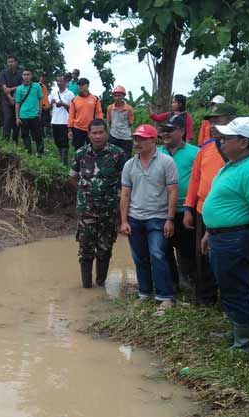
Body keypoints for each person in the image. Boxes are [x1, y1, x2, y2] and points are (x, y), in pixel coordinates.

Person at [183, 103, 249, 305]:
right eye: (211, 122)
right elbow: (196, 180)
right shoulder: (212, 152)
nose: (214, 127)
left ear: (242, 141)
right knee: (210, 267)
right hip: (211, 223)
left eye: (218, 122)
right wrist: (191, 210)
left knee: (235, 280)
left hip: (236, 231)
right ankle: (211, 303)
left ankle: (239, 325)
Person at [200, 117, 249, 352]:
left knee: (236, 288)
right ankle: (235, 330)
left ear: (242, 142)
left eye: (226, 138)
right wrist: (210, 232)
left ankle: (243, 343)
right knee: (227, 286)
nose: (220, 141)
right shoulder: (231, 165)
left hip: (234, 239)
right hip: (222, 236)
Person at [120, 124, 179, 308]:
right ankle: (144, 293)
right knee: (139, 257)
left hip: (158, 217)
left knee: (157, 254)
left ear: (154, 140)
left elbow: (173, 192)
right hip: (135, 218)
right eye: (136, 138)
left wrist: (170, 219)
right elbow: (125, 194)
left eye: (142, 139)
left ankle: (165, 296)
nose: (137, 142)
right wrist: (123, 221)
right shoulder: (129, 164)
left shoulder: (166, 162)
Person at [70, 119, 126, 288]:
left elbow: (126, 182)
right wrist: (84, 192)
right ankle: (86, 287)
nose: (98, 136)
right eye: (94, 133)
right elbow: (73, 177)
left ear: (106, 133)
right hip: (86, 212)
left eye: (101, 132)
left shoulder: (118, 154)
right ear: (89, 134)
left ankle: (101, 284)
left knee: (105, 249)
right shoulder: (81, 153)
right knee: (85, 250)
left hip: (109, 212)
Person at [158, 114, 199, 291]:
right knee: (163, 250)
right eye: (163, 130)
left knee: (188, 251)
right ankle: (171, 285)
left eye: (170, 130)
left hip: (186, 211)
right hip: (162, 211)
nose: (165, 134)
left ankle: (190, 284)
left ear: (182, 131)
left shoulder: (196, 153)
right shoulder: (157, 152)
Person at [68, 78, 104, 150]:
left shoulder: (95, 99)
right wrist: (70, 130)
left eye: (82, 85)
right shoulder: (74, 100)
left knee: (93, 148)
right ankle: (78, 161)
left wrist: (100, 126)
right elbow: (71, 115)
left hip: (91, 129)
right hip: (77, 128)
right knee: (78, 148)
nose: (80, 87)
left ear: (87, 85)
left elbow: (99, 113)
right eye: (79, 85)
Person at [14, 69, 44, 155]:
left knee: (38, 136)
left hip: (34, 115)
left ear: (31, 76)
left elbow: (40, 99)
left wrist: (40, 111)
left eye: (28, 74)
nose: (26, 76)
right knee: (25, 135)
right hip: (23, 116)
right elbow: (17, 103)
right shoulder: (19, 88)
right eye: (24, 74)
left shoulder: (37, 86)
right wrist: (17, 117)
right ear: (22, 76)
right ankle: (29, 152)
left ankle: (40, 153)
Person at [49, 73, 75, 165]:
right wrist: (51, 103)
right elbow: (47, 107)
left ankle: (64, 161)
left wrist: (63, 104)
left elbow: (73, 109)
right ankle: (61, 159)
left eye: (61, 81)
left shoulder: (70, 94)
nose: (59, 83)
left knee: (64, 142)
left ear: (65, 82)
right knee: (57, 141)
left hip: (65, 121)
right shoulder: (53, 93)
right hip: (55, 121)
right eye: (57, 81)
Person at [0, 55, 23, 143]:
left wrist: (12, 90)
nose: (10, 63)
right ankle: (5, 140)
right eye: (9, 62)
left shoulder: (20, 74)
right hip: (6, 100)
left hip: (18, 100)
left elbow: (22, 87)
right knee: (7, 119)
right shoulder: (3, 73)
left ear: (16, 62)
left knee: (17, 120)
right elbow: (5, 89)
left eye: (12, 61)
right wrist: (10, 98)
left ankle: (15, 141)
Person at [106, 85, 134, 159]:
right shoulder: (110, 108)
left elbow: (130, 123)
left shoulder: (129, 108)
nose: (117, 97)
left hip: (126, 137)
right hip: (113, 135)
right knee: (112, 156)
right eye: (115, 95)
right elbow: (109, 122)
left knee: (126, 156)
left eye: (119, 95)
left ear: (123, 96)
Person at [38, 72, 52, 137]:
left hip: (47, 106)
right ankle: (43, 136)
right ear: (40, 77)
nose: (43, 78)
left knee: (47, 122)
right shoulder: (39, 85)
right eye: (42, 77)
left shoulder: (44, 85)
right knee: (42, 123)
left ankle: (47, 136)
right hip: (43, 106)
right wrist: (42, 106)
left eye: (44, 77)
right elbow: (39, 97)